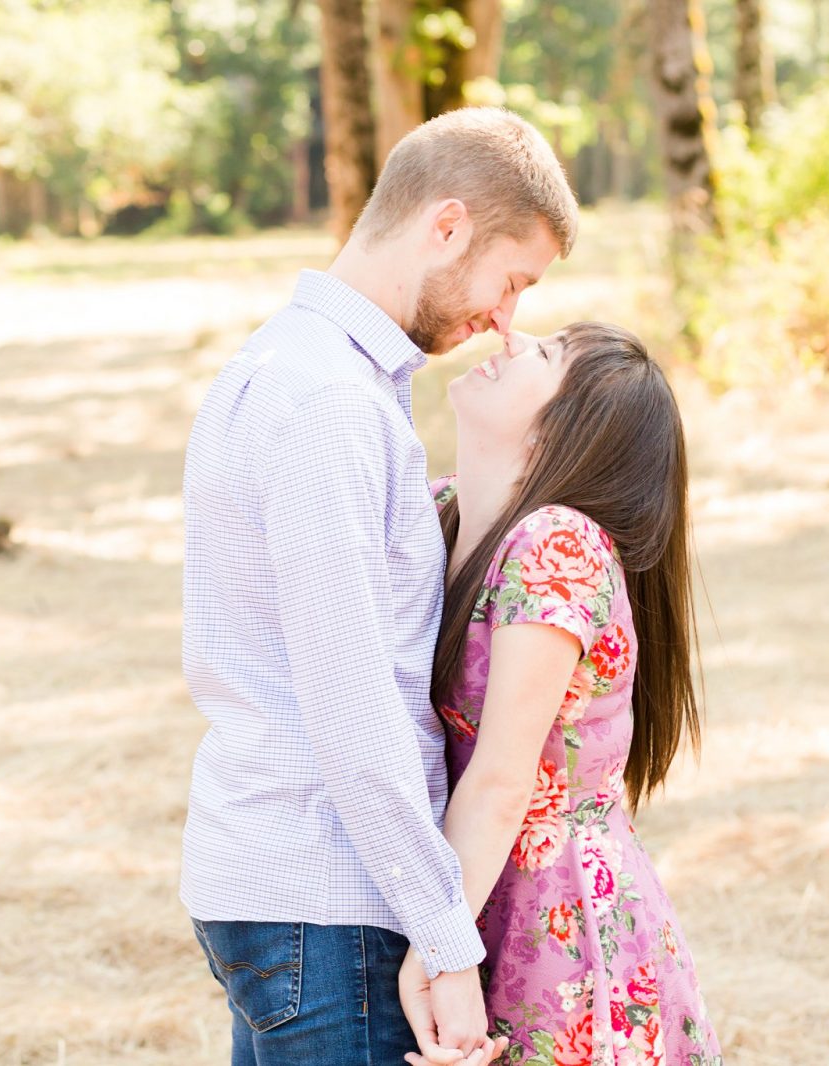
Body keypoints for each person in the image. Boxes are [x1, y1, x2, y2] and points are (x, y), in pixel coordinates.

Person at [179, 107, 577, 1065]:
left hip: (287, 893)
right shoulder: (328, 406)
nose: (503, 319)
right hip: (331, 904)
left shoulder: (298, 371)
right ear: (446, 226)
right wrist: (445, 938)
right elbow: (354, 711)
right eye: (510, 279)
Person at [412, 324, 723, 1066]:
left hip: (555, 914)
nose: (509, 339)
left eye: (545, 354)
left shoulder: (557, 544)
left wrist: (436, 951)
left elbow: (499, 780)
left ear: (566, 430)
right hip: (478, 882)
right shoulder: (443, 511)